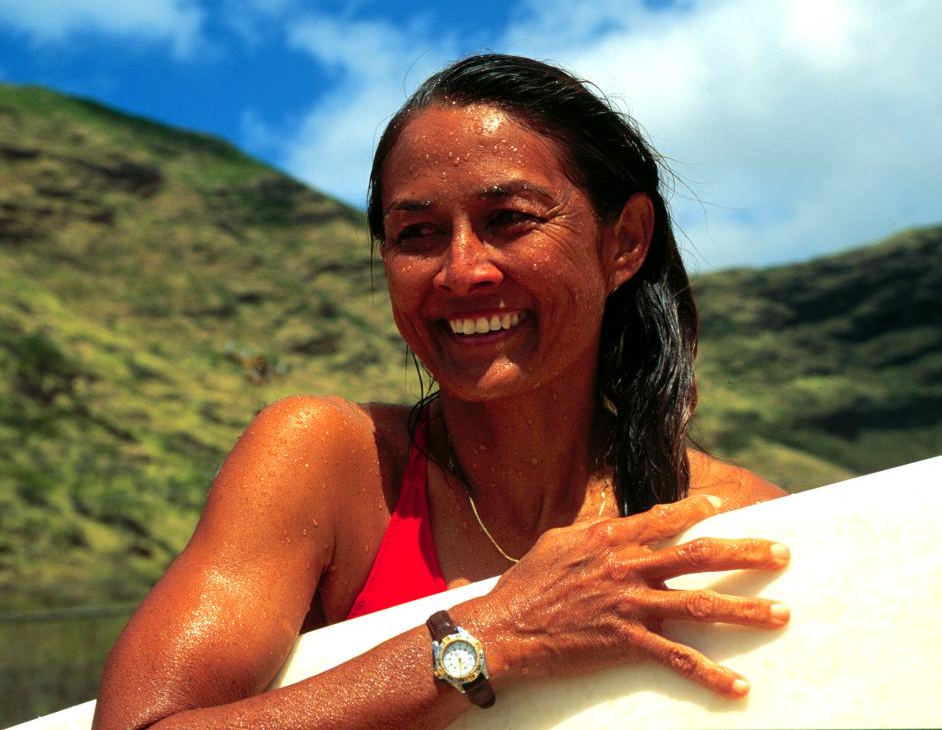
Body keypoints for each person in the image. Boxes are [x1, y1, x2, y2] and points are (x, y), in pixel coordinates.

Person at [93, 54, 789, 730]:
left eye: (509, 218)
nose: (461, 271)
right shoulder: (333, 466)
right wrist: (486, 640)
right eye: (417, 233)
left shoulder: (731, 528)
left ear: (625, 242)